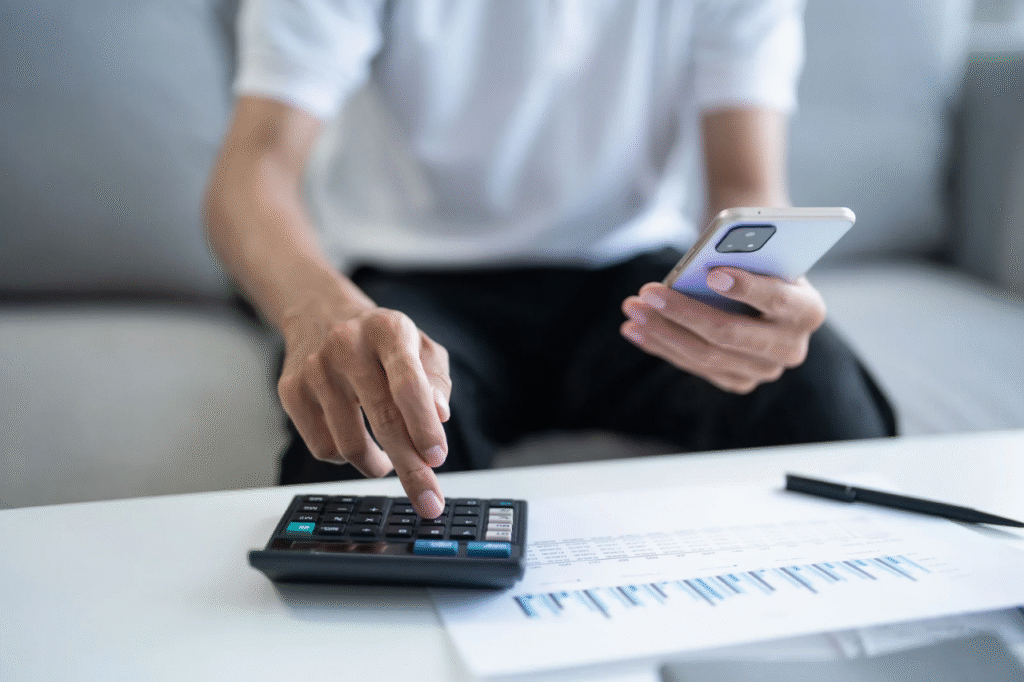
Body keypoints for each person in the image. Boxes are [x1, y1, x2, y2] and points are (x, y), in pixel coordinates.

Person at [204, 0, 896, 519]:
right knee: (372, 470)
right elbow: (252, 171)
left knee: (824, 398)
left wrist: (766, 295)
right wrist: (319, 311)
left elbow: (746, 189)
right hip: (413, 284)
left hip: (630, 285)